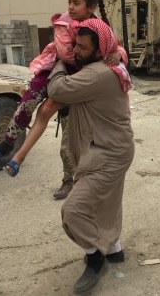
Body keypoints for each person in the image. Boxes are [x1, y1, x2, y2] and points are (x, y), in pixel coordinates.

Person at [0, 0, 126, 187]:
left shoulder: (99, 28)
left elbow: (115, 46)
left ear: (90, 7)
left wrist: (118, 55)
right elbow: (66, 53)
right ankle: (8, 146)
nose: (71, 7)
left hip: (77, 80)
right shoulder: (65, 23)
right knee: (29, 104)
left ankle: (68, 179)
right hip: (56, 71)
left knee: (60, 126)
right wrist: (97, 57)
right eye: (70, 2)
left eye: (76, 3)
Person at [47, 18, 134, 293]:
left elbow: (57, 90)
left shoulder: (97, 73)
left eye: (83, 48)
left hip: (107, 153)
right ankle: (115, 249)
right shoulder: (107, 66)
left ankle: (95, 256)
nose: (76, 51)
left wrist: (59, 62)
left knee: (72, 211)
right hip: (114, 148)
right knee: (108, 202)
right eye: (74, 45)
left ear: (100, 50)